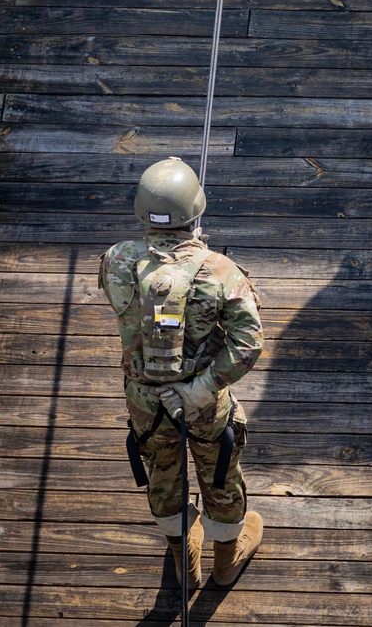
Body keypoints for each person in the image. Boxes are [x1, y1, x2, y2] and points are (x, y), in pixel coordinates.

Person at [99, 157, 265, 591]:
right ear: (196, 211)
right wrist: (200, 389)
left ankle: (183, 558)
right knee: (220, 476)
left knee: (163, 475)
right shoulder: (220, 271)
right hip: (202, 402)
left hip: (145, 401)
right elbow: (247, 343)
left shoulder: (116, 260)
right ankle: (225, 564)